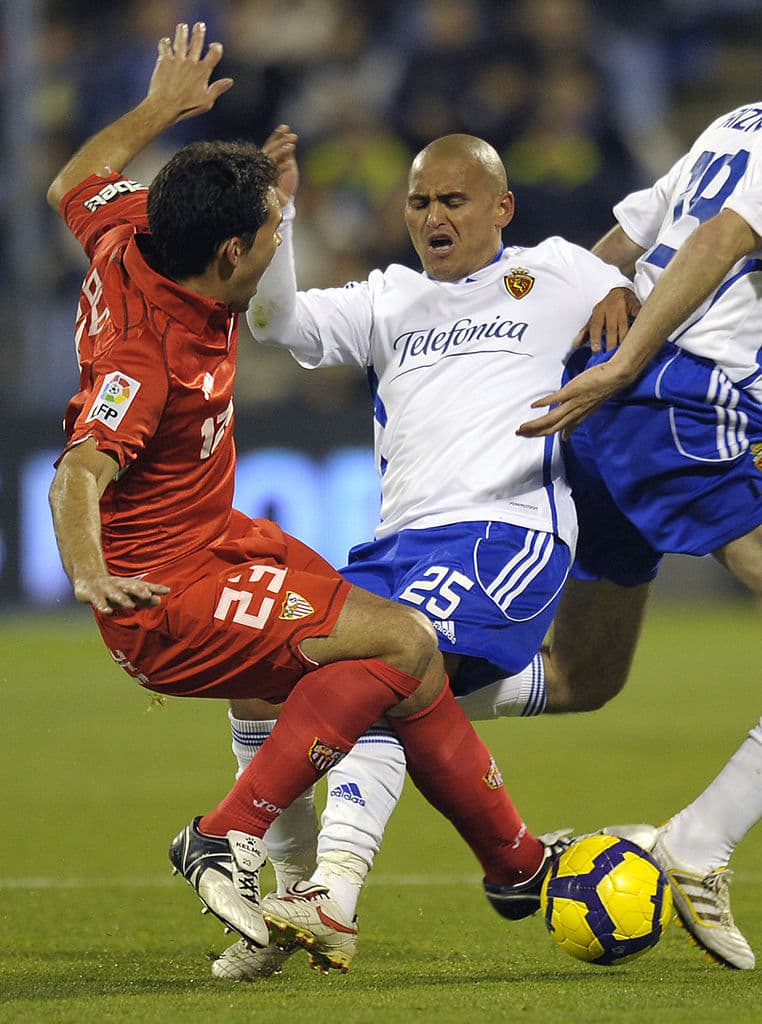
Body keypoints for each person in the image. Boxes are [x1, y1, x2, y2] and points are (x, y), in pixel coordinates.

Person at [46, 21, 588, 959]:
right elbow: (79, 471)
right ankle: (226, 835)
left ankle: (494, 867)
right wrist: (88, 574)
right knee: (400, 645)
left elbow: (72, 183)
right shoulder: (146, 355)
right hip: (164, 591)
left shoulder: (133, 226)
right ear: (228, 255)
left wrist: (160, 108)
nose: (280, 247)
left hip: (218, 539)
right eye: (273, 234)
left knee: (353, 674)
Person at [211, 126, 653, 978]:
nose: (432, 217)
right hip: (395, 547)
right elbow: (274, 319)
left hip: (503, 532)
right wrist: (282, 215)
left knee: (375, 679)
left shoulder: (560, 270)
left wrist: (620, 289)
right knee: (263, 676)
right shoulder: (390, 298)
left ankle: (332, 894)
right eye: (419, 202)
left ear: (502, 207)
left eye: (453, 200)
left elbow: (635, 303)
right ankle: (288, 903)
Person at [518, 100, 762, 971]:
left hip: (626, 401)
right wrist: (624, 364)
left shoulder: (741, 120)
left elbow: (627, 237)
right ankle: (697, 844)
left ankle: (358, 697)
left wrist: (572, 339)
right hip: (681, 404)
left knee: (583, 677)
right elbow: (722, 237)